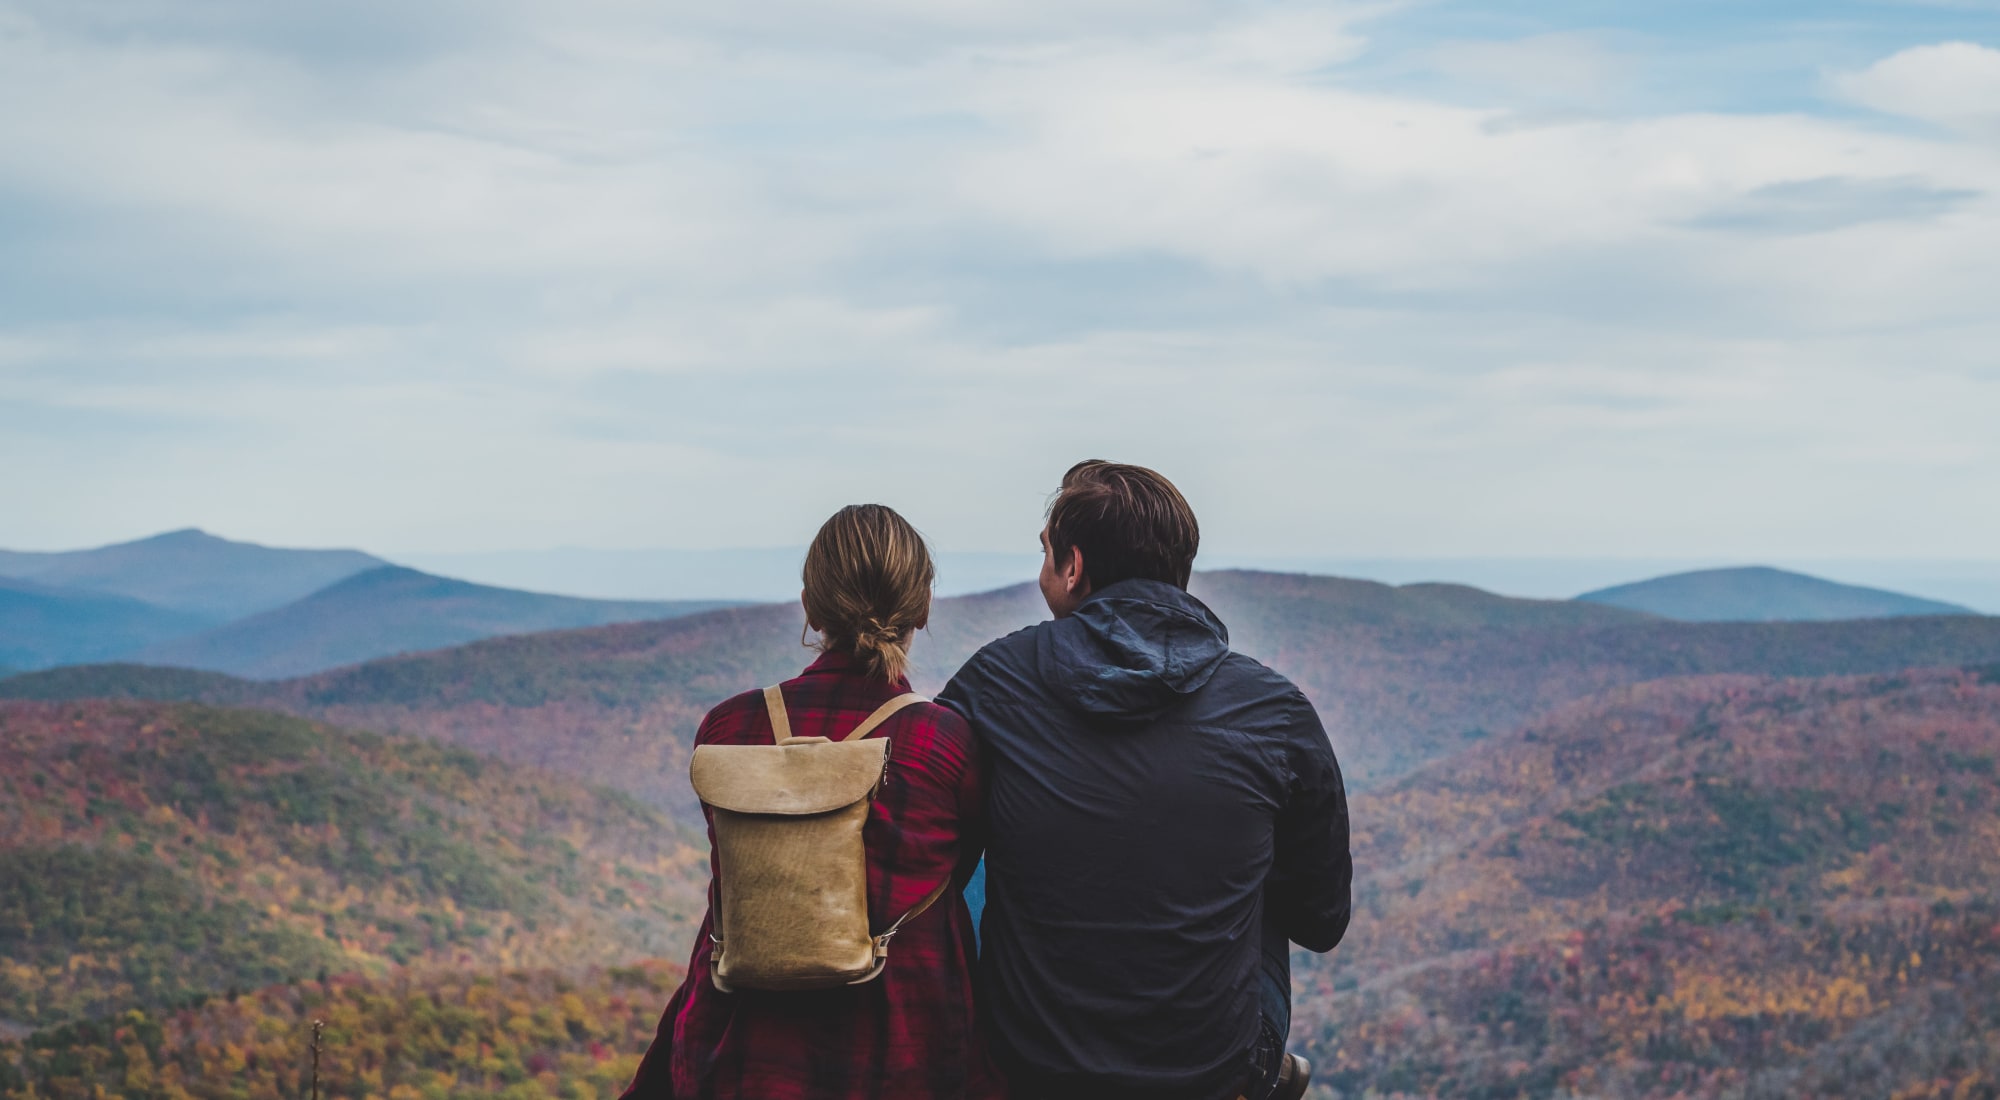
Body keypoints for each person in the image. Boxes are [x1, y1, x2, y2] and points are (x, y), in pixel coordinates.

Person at [938, 461, 1352, 1100]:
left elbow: (931, 849)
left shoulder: (995, 683)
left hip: (1032, 1063)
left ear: (1073, 567)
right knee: (1254, 862)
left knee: (981, 846)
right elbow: (1321, 920)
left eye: (1045, 552)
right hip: (1212, 1071)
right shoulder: (1274, 709)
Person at [622, 504, 1006, 1100]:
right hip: (903, 1046)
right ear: (924, 606)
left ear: (809, 604)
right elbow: (958, 874)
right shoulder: (945, 743)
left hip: (743, 1048)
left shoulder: (728, 728)